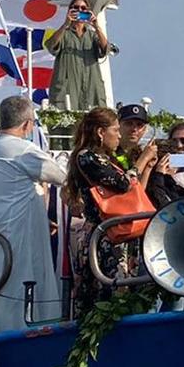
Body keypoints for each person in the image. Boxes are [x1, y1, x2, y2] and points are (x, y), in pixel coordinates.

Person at [0, 94, 70, 335]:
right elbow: (62, 177)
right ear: (27, 125)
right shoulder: (24, 150)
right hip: (18, 240)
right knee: (22, 297)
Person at [67, 106, 158, 306]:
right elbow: (123, 184)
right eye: (116, 130)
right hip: (104, 236)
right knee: (107, 298)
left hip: (119, 233)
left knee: (126, 294)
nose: (118, 136)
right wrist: (142, 161)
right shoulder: (87, 157)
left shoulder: (106, 158)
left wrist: (148, 167)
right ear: (101, 132)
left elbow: (133, 191)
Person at [48, 0, 111, 112]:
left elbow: (105, 49)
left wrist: (96, 26)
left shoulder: (92, 36)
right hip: (68, 90)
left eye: (83, 8)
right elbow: (52, 46)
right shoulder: (64, 34)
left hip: (92, 88)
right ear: (69, 11)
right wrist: (65, 24)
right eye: (75, 7)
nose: (79, 10)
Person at [114, 103, 153, 168]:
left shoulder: (144, 153)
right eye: (129, 123)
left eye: (139, 125)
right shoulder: (109, 152)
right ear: (118, 126)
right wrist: (144, 159)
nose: (134, 129)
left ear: (144, 129)